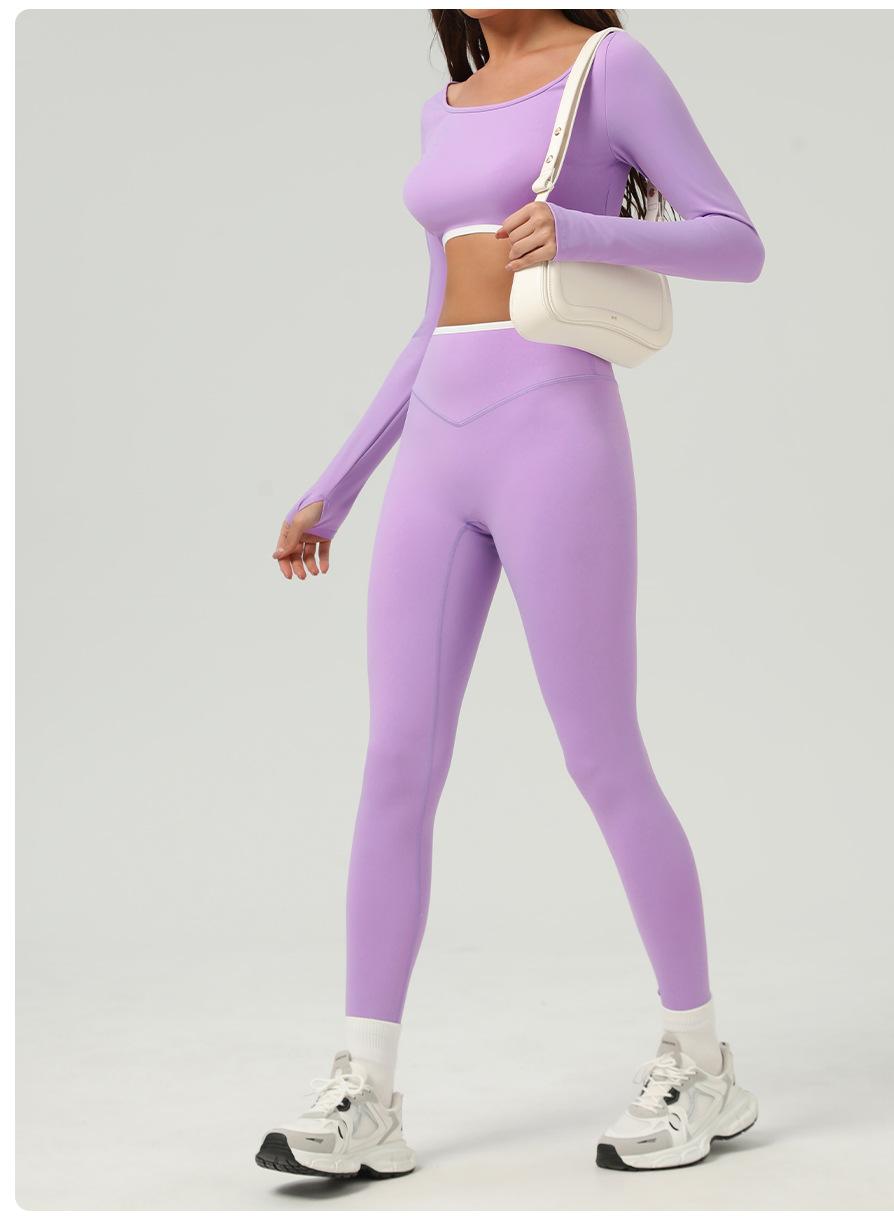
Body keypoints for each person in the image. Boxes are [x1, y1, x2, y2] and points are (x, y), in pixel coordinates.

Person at [256, 7, 765, 1180]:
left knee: (602, 756)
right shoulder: (444, 104)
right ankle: (366, 1091)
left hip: (555, 437)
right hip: (436, 450)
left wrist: (580, 229)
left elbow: (737, 241)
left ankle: (701, 1062)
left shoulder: (609, 67)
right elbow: (433, 318)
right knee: (395, 762)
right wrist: (335, 486)